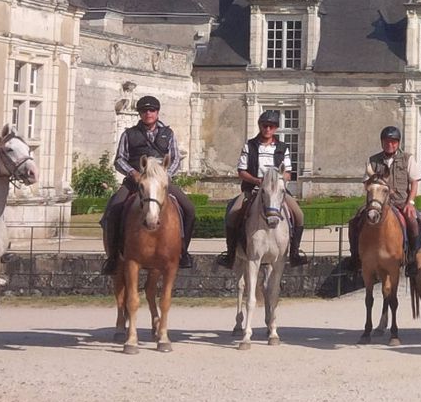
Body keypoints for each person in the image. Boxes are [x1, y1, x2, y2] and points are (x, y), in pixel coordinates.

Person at [99, 95, 198, 274]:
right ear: (140, 114)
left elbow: (175, 159)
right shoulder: (129, 134)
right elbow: (119, 159)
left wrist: (164, 176)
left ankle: (183, 251)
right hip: (135, 182)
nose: (148, 114)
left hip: (161, 181)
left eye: (151, 110)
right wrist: (133, 173)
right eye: (144, 111)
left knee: (189, 209)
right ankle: (113, 257)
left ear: (157, 113)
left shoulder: (168, 134)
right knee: (113, 209)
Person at [216, 111, 307, 268]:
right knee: (232, 213)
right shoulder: (249, 146)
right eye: (265, 125)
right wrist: (257, 181)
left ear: (276, 128)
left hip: (276, 191)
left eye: (271, 126)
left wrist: (277, 181)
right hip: (252, 189)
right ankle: (230, 254)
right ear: (260, 126)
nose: (268, 129)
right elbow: (242, 171)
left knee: (299, 214)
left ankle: (294, 253)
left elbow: (288, 173)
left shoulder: (282, 148)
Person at [349, 126, 421, 275]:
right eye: (387, 141)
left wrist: (410, 203)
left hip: (401, 201)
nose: (390, 144)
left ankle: (412, 259)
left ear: (398, 143)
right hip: (378, 202)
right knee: (355, 220)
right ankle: (356, 257)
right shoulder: (373, 160)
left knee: (414, 221)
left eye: (393, 142)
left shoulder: (407, 158)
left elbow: (414, 182)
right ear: (382, 143)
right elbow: (366, 184)